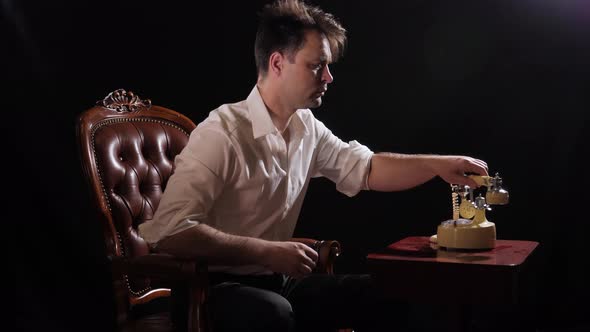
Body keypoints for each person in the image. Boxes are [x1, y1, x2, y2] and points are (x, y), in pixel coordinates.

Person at [138, 0, 488, 331]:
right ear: (277, 63)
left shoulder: (305, 127)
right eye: (316, 65)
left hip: (274, 283)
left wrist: (438, 165)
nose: (328, 77)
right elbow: (171, 231)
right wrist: (264, 250)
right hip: (207, 291)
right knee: (272, 313)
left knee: (388, 292)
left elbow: (366, 169)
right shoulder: (221, 133)